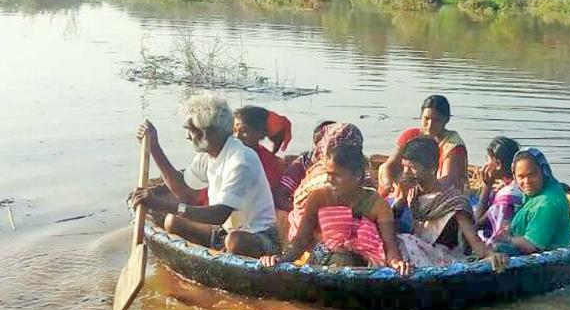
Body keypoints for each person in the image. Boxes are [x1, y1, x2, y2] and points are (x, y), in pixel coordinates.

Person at [130, 93, 279, 258]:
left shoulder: (240, 160)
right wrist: (154, 147)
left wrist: (160, 204)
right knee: (173, 221)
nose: (188, 136)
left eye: (192, 130)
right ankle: (217, 255)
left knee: (235, 241)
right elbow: (184, 192)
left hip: (259, 236)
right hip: (225, 230)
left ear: (211, 132)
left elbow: (218, 215)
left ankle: (223, 256)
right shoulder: (209, 155)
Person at [259, 145, 411, 275]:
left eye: (336, 175)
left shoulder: (377, 204)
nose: (329, 180)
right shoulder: (318, 197)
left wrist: (397, 263)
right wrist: (281, 259)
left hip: (362, 264)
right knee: (342, 258)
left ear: (357, 175)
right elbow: (300, 240)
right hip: (322, 259)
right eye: (328, 174)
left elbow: (389, 245)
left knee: (346, 259)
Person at [391, 136, 506, 271]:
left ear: (432, 169)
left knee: (403, 240)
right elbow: (391, 221)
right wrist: (401, 199)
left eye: (413, 168)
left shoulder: (453, 201)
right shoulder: (413, 193)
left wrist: (490, 255)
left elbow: (475, 243)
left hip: (443, 259)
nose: (406, 173)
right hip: (416, 254)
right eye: (404, 167)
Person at [378, 95, 467, 196]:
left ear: (446, 120)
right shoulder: (410, 136)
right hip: (410, 186)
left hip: (437, 191)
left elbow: (446, 181)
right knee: (382, 168)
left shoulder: (453, 146)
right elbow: (389, 166)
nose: (429, 126)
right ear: (421, 116)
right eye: (426, 119)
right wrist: (388, 185)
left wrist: (420, 187)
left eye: (436, 120)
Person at [491, 148, 570, 256]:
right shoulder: (536, 192)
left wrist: (508, 239)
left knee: (496, 249)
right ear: (514, 177)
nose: (527, 182)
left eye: (532, 175)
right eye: (521, 176)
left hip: (542, 255)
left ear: (543, 172)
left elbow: (531, 245)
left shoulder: (546, 204)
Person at [474, 136, 524, 245]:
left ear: (498, 164)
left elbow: (476, 223)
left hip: (500, 244)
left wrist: (487, 187)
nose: (485, 165)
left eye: (487, 160)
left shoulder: (507, 195)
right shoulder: (518, 186)